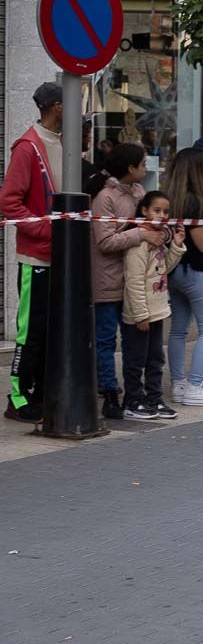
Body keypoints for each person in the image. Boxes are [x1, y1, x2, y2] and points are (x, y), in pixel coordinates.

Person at [0, 82, 62, 423]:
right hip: (35, 257)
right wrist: (45, 230)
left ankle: (38, 390)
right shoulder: (27, 148)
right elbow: (9, 203)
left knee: (49, 328)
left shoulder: (61, 144)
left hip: (57, 256)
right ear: (56, 107)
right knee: (30, 330)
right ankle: (18, 396)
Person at [84, 143, 150, 420]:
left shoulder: (139, 193)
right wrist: (141, 235)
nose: (146, 169)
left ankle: (135, 391)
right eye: (143, 164)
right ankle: (110, 392)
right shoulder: (105, 197)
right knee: (106, 339)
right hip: (108, 279)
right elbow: (105, 241)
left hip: (135, 279)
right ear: (130, 168)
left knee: (135, 338)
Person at [162, 148, 203, 407]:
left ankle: (178, 384)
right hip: (196, 270)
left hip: (174, 269)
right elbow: (202, 244)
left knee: (178, 329)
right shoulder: (195, 202)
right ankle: (196, 386)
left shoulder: (169, 198)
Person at [121, 191, 186, 420]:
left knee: (156, 358)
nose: (162, 215)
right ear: (144, 211)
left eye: (166, 212)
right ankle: (133, 400)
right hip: (141, 314)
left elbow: (162, 269)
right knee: (136, 358)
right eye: (157, 210)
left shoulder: (158, 240)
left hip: (157, 311)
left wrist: (176, 247)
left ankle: (154, 399)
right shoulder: (139, 244)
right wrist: (141, 315)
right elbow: (134, 280)